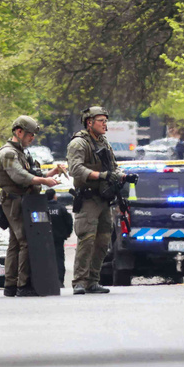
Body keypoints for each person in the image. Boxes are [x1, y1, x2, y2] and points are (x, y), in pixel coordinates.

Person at [0, 115, 61, 296]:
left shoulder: (21, 151)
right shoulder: (8, 153)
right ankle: (22, 285)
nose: (32, 138)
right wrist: (44, 181)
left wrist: (51, 173)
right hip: (14, 201)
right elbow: (19, 176)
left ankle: (11, 285)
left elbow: (31, 173)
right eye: (30, 134)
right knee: (24, 240)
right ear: (19, 131)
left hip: (23, 200)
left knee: (15, 242)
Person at [67, 105, 120, 295]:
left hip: (104, 199)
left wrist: (120, 176)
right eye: (101, 121)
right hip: (88, 198)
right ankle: (79, 281)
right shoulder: (79, 143)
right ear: (90, 123)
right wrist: (100, 175)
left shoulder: (104, 142)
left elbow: (113, 166)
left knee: (103, 241)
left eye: (106, 121)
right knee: (87, 239)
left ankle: (93, 281)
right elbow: (75, 169)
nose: (105, 124)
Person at [45, 188, 74, 285]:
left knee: (45, 259)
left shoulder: (42, 208)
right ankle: (59, 281)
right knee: (59, 259)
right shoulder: (61, 208)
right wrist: (67, 233)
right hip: (58, 237)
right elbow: (69, 221)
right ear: (54, 196)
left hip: (44, 238)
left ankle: (46, 281)